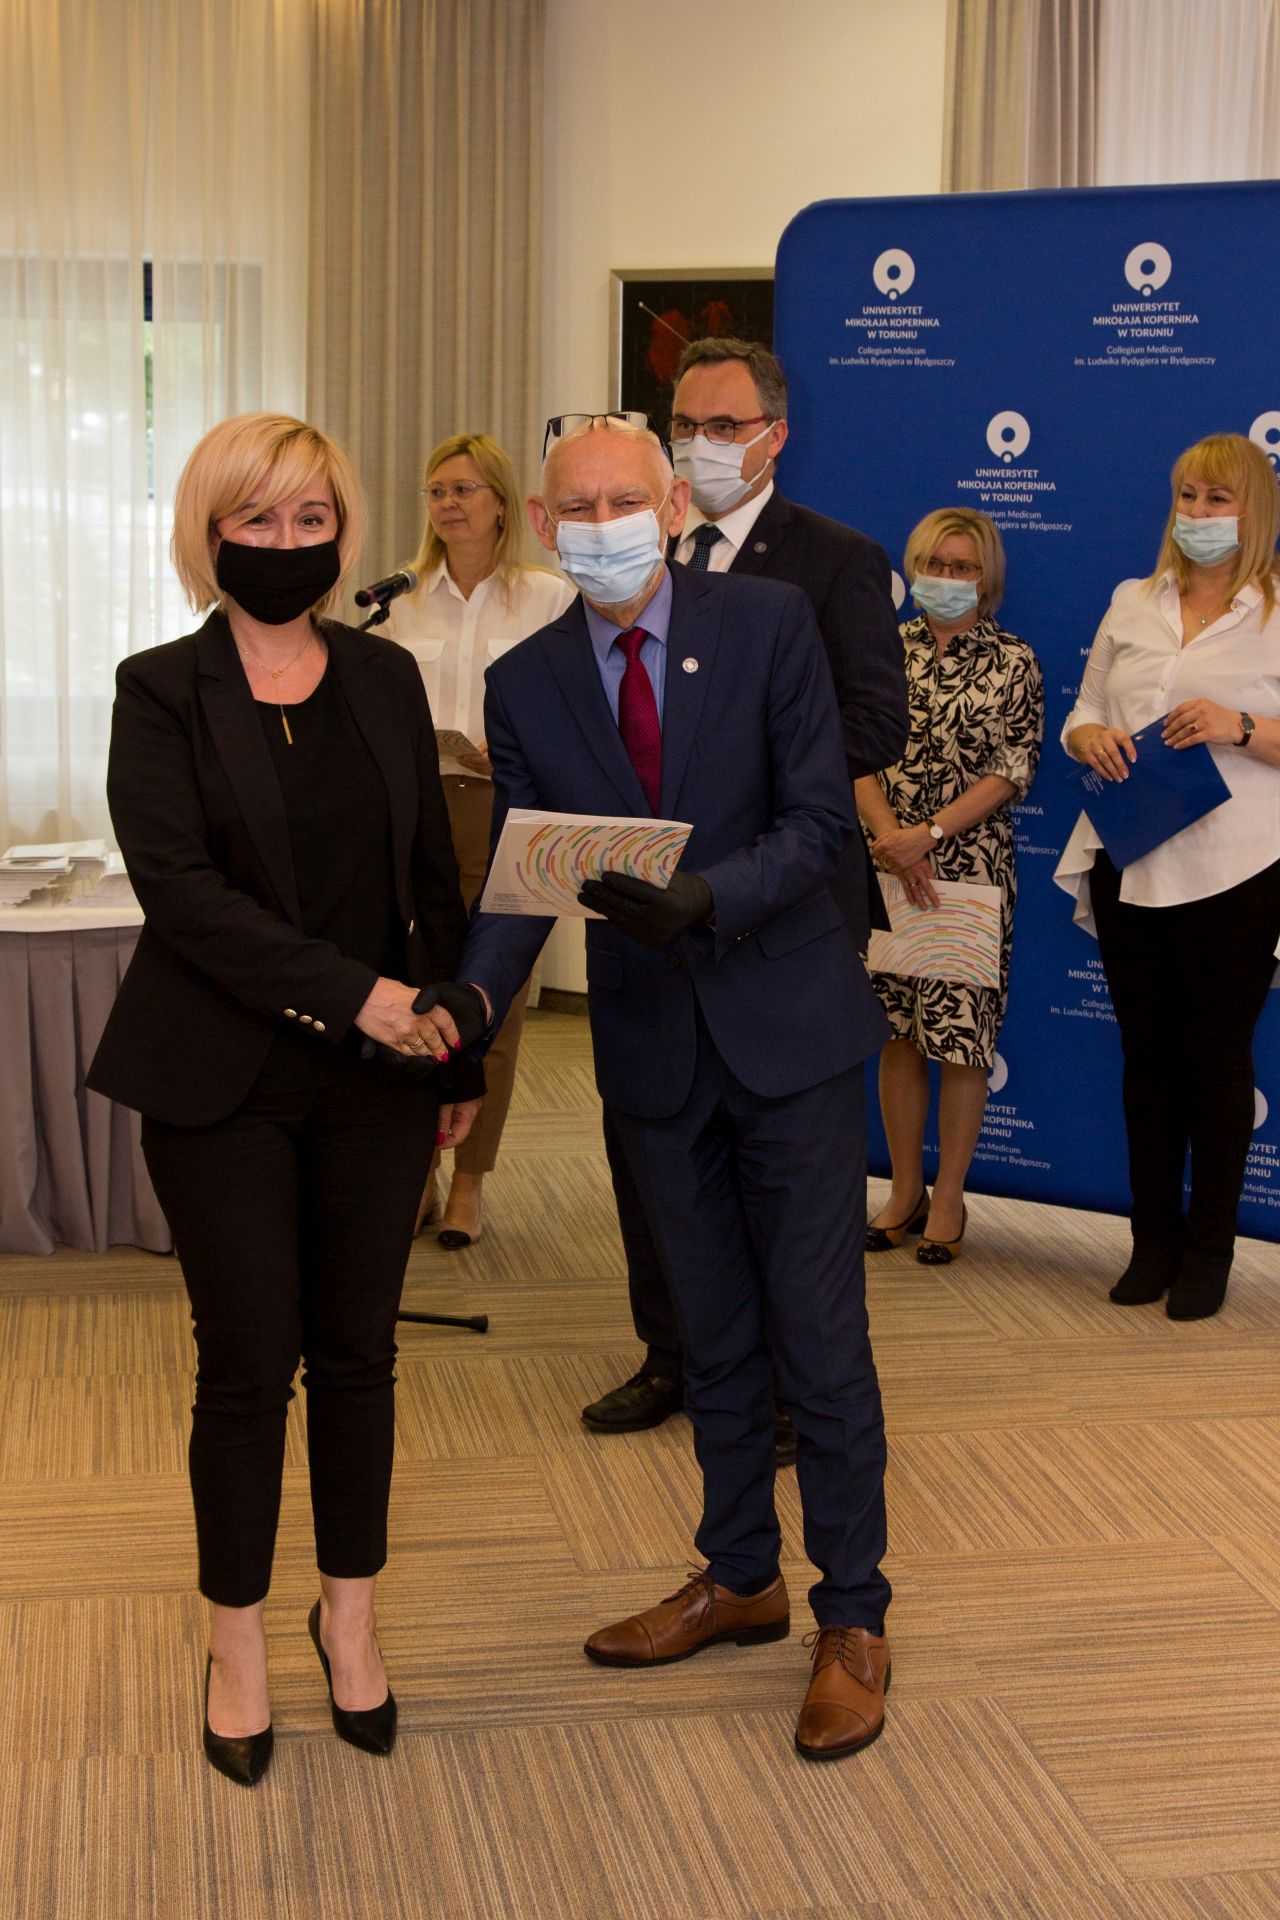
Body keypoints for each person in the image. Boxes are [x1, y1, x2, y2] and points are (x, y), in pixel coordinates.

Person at [458, 416, 893, 1761]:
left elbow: (819, 821)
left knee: (815, 1336)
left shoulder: (765, 624)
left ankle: (854, 1615)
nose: (600, 525)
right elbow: (527, 876)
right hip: (652, 1051)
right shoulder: (525, 681)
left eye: (623, 501)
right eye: (576, 507)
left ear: (666, 508)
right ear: (544, 524)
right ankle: (740, 1575)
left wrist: (709, 896)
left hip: (788, 1030)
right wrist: (468, 1008)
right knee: (709, 1332)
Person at [87, 412, 486, 1787]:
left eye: (312, 519)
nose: (286, 542)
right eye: (257, 519)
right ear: (210, 533)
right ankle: (237, 1644)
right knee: (250, 1365)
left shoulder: (383, 677)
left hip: (379, 1080)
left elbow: (427, 882)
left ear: (343, 531)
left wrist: (452, 1059)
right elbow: (183, 896)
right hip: (222, 1079)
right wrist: (353, 993)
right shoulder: (159, 689)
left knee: (360, 1354)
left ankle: (350, 1620)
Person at [583, 337, 909, 1451]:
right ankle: (670, 1353)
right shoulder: (632, 547)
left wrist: (734, 781)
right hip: (644, 911)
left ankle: (779, 1387)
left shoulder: (835, 559)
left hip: (780, 909)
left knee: (776, 1176)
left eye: (723, 427)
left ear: (775, 435)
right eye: (684, 426)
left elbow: (875, 723)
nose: (700, 446)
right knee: (653, 1154)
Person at [1056, 431, 1280, 1320]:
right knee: (1146, 1058)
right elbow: (1081, 712)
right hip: (1129, 857)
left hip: (1238, 868)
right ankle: (1151, 1241)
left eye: (1217, 499)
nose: (1198, 514)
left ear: (1253, 510)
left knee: (1217, 1061)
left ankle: (1209, 1251)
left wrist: (1238, 726)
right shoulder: (1132, 600)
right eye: (1188, 496)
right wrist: (1091, 739)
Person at [384, 433, 575, 1248]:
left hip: (506, 811)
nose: (448, 504)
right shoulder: (397, 602)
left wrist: (528, 744)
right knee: (409, 996)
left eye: (464, 489)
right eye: (436, 491)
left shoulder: (550, 598)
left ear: (502, 502)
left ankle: (470, 1181)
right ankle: (417, 1173)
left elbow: (579, 708)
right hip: (414, 814)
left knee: (490, 1004)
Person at [855, 508, 1043, 1263]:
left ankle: (951, 1198)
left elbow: (1013, 768)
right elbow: (853, 754)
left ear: (986, 577)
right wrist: (891, 839)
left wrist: (928, 836)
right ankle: (904, 1190)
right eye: (936, 563)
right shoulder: (882, 649)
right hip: (885, 867)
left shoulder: (1014, 660)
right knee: (898, 1036)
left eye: (963, 567)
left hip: (970, 872)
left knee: (962, 1043)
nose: (948, 578)